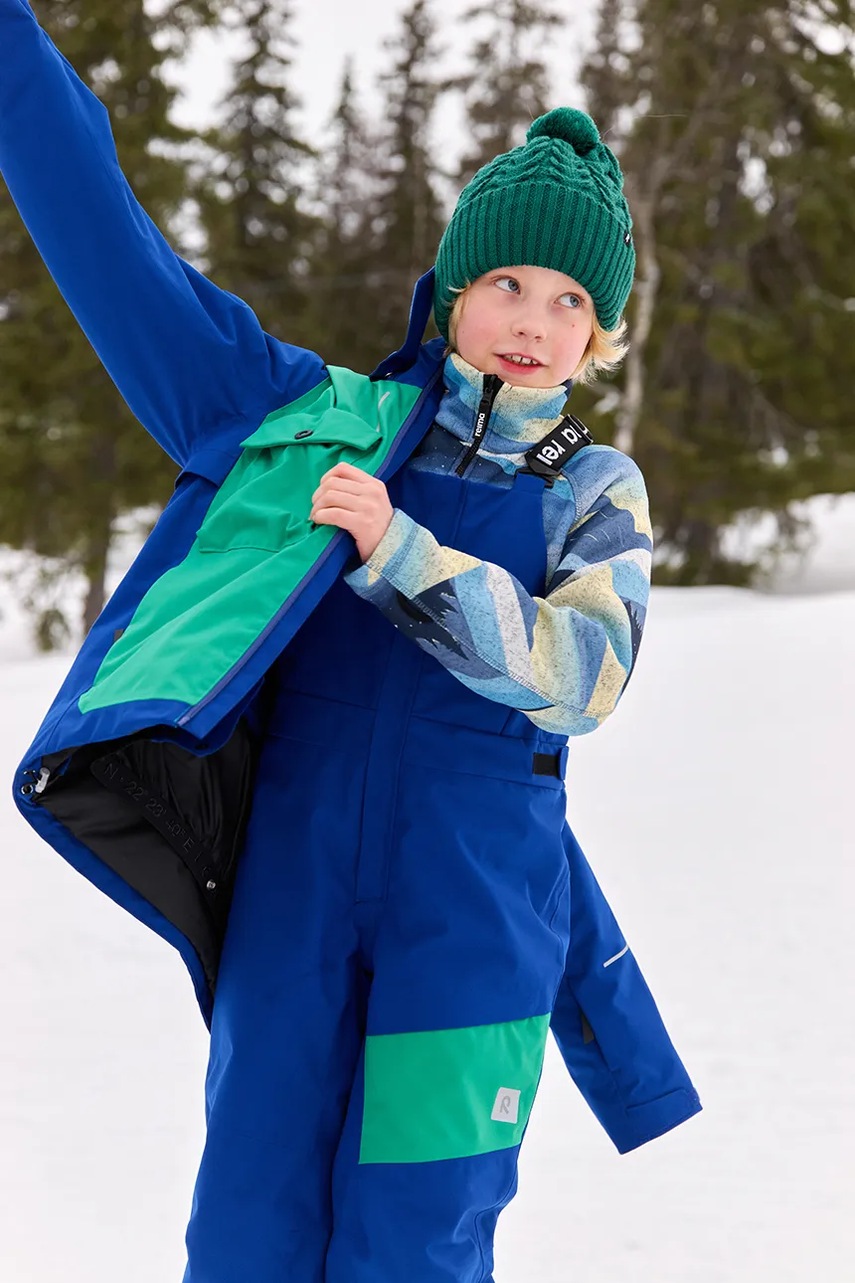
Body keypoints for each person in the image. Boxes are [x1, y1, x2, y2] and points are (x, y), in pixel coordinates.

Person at [2, 2, 701, 1279]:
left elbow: (584, 676)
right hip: (296, 894)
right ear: (451, 293)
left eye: (568, 299)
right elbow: (120, 257)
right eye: (504, 282)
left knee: (416, 1245)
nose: (531, 318)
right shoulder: (316, 425)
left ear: (599, 334)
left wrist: (402, 553)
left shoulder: (595, 489)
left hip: (475, 925)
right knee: (248, 1229)